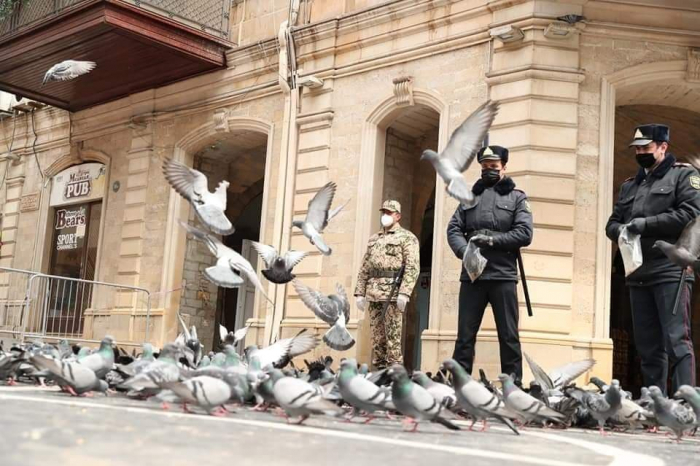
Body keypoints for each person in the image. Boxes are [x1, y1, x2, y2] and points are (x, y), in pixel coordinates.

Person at [605, 124, 700, 393]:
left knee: (677, 341)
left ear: (662, 147)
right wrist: (622, 230)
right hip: (638, 273)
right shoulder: (629, 186)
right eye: (637, 148)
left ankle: (686, 404)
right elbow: (612, 223)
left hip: (671, 270)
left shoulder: (683, 176)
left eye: (646, 148)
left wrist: (644, 224)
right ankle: (654, 402)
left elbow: (691, 214)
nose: (640, 153)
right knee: (647, 345)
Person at [446, 145, 533, 384]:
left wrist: (493, 240)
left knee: (509, 336)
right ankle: (459, 385)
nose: (489, 171)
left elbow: (525, 233)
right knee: (464, 336)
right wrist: (466, 252)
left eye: (493, 167)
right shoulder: (468, 197)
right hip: (472, 276)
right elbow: (453, 229)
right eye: (485, 167)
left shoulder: (517, 197)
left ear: (504, 167)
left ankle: (513, 386)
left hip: (503, 275)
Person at [354, 200, 420, 369]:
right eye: (383, 212)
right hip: (374, 294)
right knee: (377, 338)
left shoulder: (407, 238)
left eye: (389, 213)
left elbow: (412, 267)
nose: (385, 216)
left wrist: (405, 293)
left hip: (393, 294)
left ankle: (395, 374)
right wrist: (360, 293)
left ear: (397, 216)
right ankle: (380, 372)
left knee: (393, 338)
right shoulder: (374, 239)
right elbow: (365, 267)